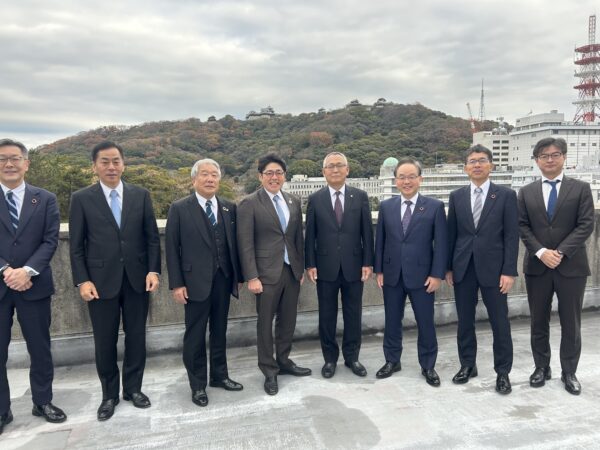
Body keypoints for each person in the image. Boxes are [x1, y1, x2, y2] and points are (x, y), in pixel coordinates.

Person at [69, 141, 161, 421]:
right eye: (105, 162)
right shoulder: (82, 198)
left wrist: (153, 271)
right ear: (95, 166)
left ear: (124, 163)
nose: (111, 167)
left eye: (116, 161)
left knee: (136, 337)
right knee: (104, 341)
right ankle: (109, 394)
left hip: (137, 280)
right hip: (100, 282)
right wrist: (82, 280)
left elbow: (152, 239)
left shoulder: (140, 195)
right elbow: (76, 246)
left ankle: (133, 389)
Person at [518, 137, 594, 395]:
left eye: (555, 154)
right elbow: (522, 225)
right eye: (544, 156)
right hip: (537, 267)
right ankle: (542, 367)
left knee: (571, 322)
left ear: (563, 157)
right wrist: (541, 252)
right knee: (538, 320)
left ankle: (569, 371)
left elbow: (586, 225)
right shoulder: (526, 192)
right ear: (537, 161)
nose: (550, 159)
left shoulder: (581, 188)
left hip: (571, 267)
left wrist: (560, 252)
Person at [0, 139, 66, 434]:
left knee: (40, 347)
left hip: (34, 284)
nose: (9, 164)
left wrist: (26, 271)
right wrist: (6, 270)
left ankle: (43, 401)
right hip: (1, 284)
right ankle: (2, 411)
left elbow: (50, 240)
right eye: (2, 159)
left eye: (15, 158)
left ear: (27, 163)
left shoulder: (46, 198)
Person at [165, 158, 243, 408]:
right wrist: (177, 284)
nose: (210, 179)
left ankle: (219, 376)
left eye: (214, 175)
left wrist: (238, 276)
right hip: (194, 281)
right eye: (205, 175)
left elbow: (235, 246)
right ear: (194, 179)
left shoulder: (229, 207)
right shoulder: (179, 208)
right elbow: (171, 249)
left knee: (220, 331)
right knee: (195, 334)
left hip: (223, 278)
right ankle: (197, 384)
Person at [446, 144, 518, 395]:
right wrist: (448, 268)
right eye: (472, 161)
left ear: (491, 166)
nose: (477, 164)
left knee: (500, 322)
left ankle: (503, 372)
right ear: (466, 168)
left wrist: (509, 271)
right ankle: (468, 365)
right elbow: (451, 235)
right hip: (463, 268)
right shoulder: (456, 196)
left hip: (495, 270)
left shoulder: (506, 196)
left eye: (482, 160)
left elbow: (511, 236)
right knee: (464, 321)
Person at [237, 153, 311, 396]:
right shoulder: (249, 203)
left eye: (278, 173)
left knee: (288, 320)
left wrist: (299, 268)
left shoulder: (293, 201)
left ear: (284, 176)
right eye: (269, 173)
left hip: (291, 272)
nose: (274, 177)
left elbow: (297, 237)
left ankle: (284, 361)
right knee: (265, 323)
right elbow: (245, 243)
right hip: (265, 274)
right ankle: (269, 370)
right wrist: (252, 276)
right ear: (260, 176)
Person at [374, 157, 446, 386]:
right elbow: (381, 241)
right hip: (392, 274)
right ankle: (392, 360)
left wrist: (436, 275)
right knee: (392, 320)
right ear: (395, 181)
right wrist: (379, 271)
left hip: (423, 277)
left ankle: (428, 365)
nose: (406, 181)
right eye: (402, 177)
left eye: (411, 177)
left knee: (425, 323)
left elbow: (441, 244)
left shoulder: (434, 207)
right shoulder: (386, 206)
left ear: (420, 179)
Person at [304, 152, 373, 378]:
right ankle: (329, 359)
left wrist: (368, 262)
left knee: (354, 314)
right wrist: (310, 264)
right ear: (323, 172)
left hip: (354, 265)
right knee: (327, 315)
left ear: (347, 170)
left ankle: (352, 357)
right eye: (330, 166)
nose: (335, 170)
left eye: (339, 166)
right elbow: (310, 235)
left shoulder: (360, 196)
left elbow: (367, 232)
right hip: (325, 266)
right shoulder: (315, 199)